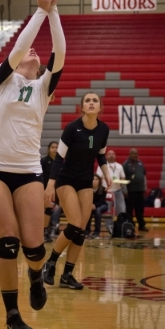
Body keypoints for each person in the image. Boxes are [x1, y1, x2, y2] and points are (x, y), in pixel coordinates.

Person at [0, 0, 65, 329]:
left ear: (41, 68)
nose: (32, 51)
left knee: (33, 247)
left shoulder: (44, 88)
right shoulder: (3, 81)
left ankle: (36, 275)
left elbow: (60, 54)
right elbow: (17, 49)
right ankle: (13, 317)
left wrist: (54, 11)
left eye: (36, 53)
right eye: (28, 50)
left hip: (29, 172)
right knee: (8, 239)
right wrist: (40, 12)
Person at [44, 92, 112, 290]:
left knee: (81, 232)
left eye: (95, 101)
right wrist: (51, 184)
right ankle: (50, 263)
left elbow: (100, 155)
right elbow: (58, 159)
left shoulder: (104, 130)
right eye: (87, 101)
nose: (91, 103)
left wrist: (106, 173)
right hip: (66, 180)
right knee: (74, 225)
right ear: (82, 107)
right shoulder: (72, 128)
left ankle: (67, 276)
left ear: (100, 107)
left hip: (85, 182)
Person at [123, 148, 149, 232]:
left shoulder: (140, 163)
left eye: (136, 154)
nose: (135, 155)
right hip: (130, 191)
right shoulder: (126, 164)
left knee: (140, 209)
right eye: (133, 154)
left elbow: (144, 176)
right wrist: (125, 190)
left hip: (140, 191)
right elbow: (123, 178)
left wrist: (144, 187)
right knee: (129, 210)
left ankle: (141, 225)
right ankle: (131, 226)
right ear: (129, 154)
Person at [96, 149, 126, 215]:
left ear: (115, 156)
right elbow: (98, 177)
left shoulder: (119, 166)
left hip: (118, 190)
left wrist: (121, 182)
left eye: (113, 154)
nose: (111, 155)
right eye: (109, 154)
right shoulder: (102, 166)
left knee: (122, 209)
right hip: (107, 190)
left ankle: (121, 223)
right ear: (106, 156)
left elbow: (123, 177)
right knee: (107, 210)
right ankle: (109, 225)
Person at [41, 141, 58, 242]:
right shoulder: (43, 161)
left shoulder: (60, 163)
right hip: (44, 190)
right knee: (47, 209)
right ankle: (44, 232)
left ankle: (48, 230)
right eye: (53, 147)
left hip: (56, 191)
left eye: (56, 148)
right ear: (49, 149)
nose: (55, 149)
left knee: (50, 211)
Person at [85, 174, 108, 239]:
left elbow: (102, 201)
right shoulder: (88, 189)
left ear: (99, 181)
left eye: (96, 179)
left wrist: (95, 205)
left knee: (97, 210)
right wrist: (90, 205)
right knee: (88, 210)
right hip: (91, 206)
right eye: (93, 179)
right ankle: (87, 231)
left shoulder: (103, 189)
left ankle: (97, 232)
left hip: (102, 205)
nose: (94, 181)